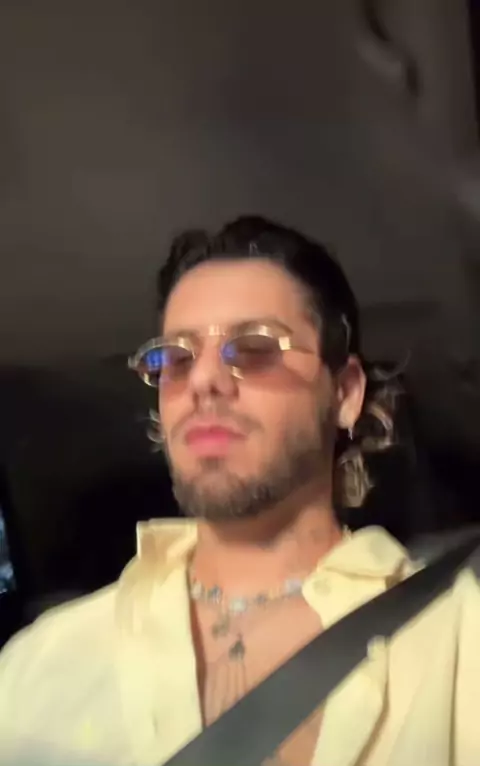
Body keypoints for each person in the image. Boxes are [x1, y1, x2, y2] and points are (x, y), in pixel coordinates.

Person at [0, 215, 478, 766]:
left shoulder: (459, 638)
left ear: (345, 394)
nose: (202, 381)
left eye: (254, 348)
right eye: (176, 359)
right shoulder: (39, 666)